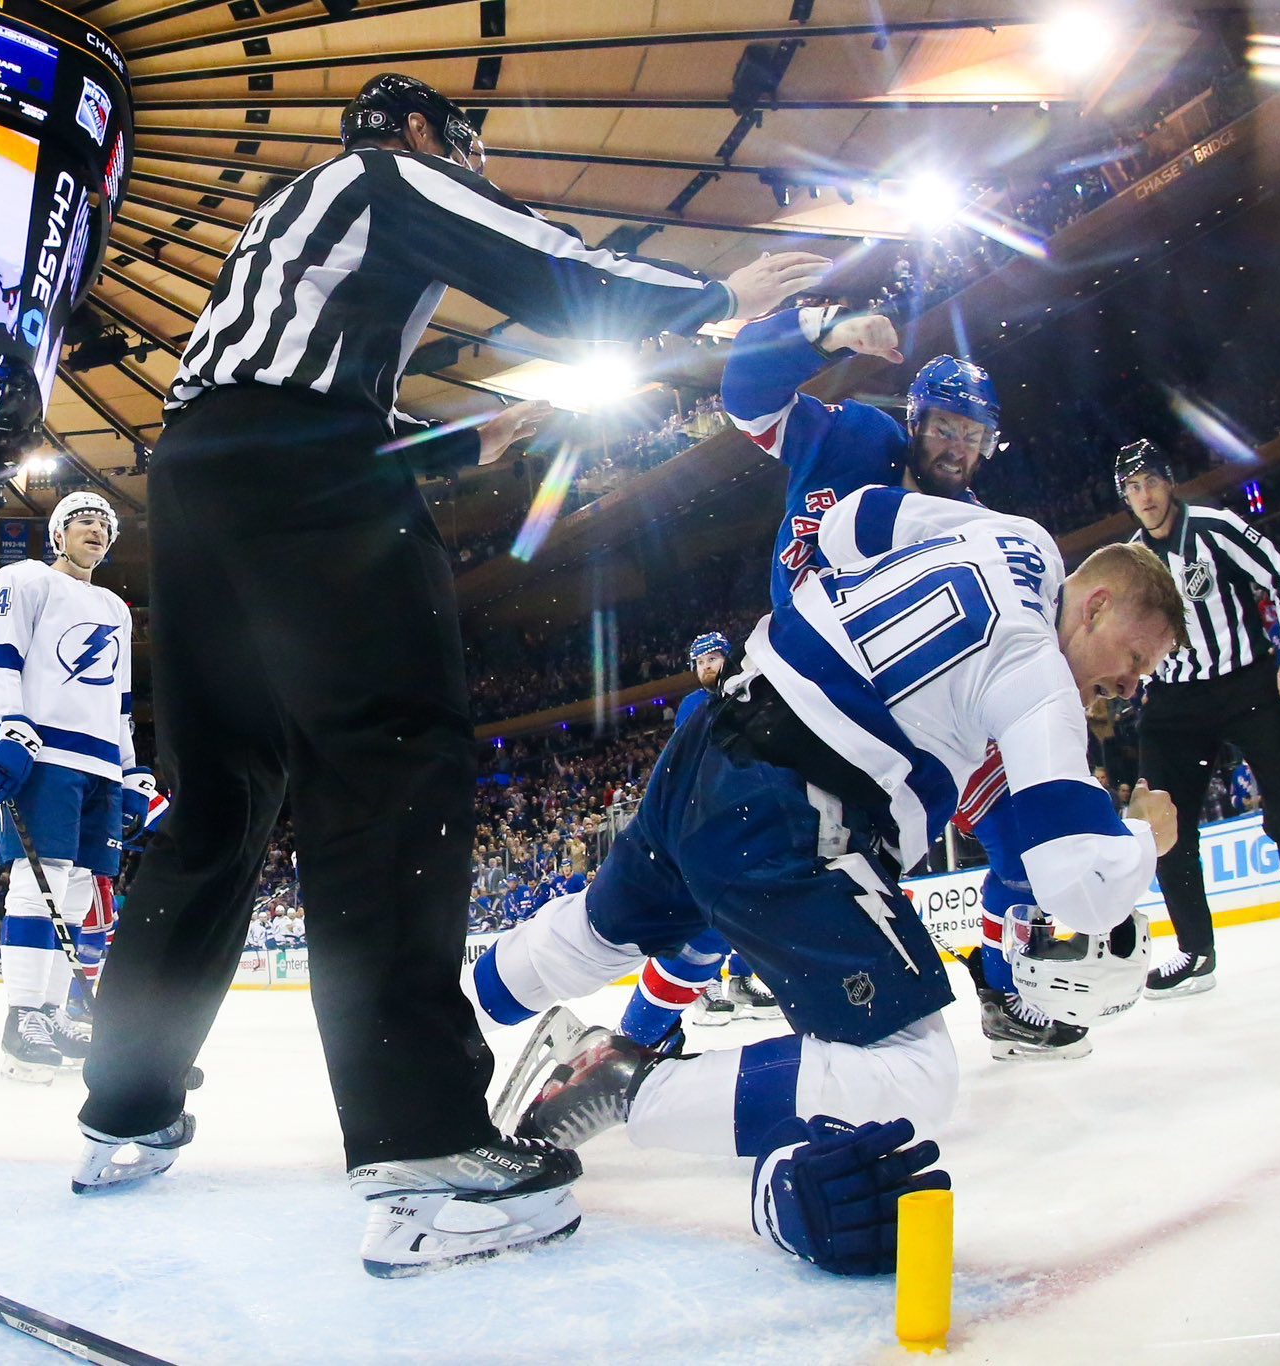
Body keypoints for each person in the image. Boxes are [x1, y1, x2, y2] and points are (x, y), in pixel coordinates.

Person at [73, 72, 828, 1278]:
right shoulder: (384, 172)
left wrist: (475, 437)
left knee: (218, 796)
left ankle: (125, 1103)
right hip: (296, 478)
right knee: (387, 767)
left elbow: (297, 407)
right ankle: (422, 1142)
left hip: (200, 478)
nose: (469, 161)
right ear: (422, 130)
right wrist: (712, 296)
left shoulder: (292, 227)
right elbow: (551, 271)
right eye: (460, 143)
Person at [468, 488, 1182, 1274]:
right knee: (914, 1070)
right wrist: (1144, 835)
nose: (1130, 684)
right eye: (1136, 658)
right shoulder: (1036, 669)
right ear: (1099, 604)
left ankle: (438, 1031)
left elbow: (849, 520)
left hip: (720, 725)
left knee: (605, 929)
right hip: (801, 813)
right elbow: (1077, 880)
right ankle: (624, 1083)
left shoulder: (1018, 532)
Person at [723, 304, 1085, 1059]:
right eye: (946, 427)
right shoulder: (848, 432)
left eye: (974, 436)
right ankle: (649, 1028)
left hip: (911, 714)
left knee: (1017, 839)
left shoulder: (976, 524)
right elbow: (746, 394)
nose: (957, 447)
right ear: (914, 420)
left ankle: (1002, 989)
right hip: (802, 697)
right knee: (740, 867)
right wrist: (819, 332)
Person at [1116, 438, 1280, 994]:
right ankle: (1195, 952)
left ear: (1169, 481)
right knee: (1161, 825)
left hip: (1247, 683)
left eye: (1149, 481)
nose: (1143, 496)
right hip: (1174, 702)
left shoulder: (1216, 527)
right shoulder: (1132, 559)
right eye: (1131, 488)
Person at [0, 492, 158, 1084]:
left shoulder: (115, 608)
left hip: (101, 764)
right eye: (84, 520)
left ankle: (48, 1016)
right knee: (40, 881)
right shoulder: (24, 579)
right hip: (45, 752)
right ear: (59, 532)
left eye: (105, 524)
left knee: (77, 891)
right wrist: (11, 727)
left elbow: (118, 700)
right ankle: (21, 1018)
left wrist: (130, 770)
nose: (97, 530)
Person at [616, 631, 781, 1044]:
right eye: (700, 661)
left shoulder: (749, 692)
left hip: (748, 815)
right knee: (705, 907)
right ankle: (701, 986)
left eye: (713, 658)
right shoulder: (694, 705)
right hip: (707, 821)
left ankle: (740, 983)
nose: (707, 666)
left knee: (750, 907)